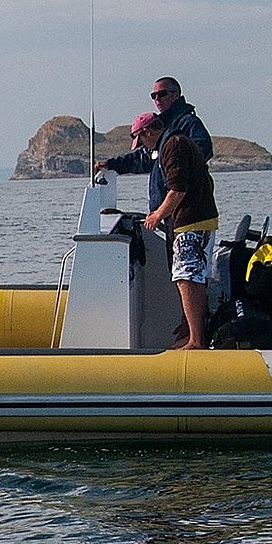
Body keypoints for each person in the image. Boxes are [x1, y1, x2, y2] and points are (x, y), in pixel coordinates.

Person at [136, 113, 220, 349]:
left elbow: (177, 190)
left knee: (186, 278)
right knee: (196, 278)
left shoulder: (172, 146)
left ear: (148, 132)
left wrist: (156, 216)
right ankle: (194, 335)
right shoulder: (178, 142)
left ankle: (195, 340)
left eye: (141, 140)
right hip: (202, 220)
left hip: (190, 222)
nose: (143, 145)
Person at [94, 77, 213, 213]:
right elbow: (144, 158)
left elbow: (204, 148)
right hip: (169, 210)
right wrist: (111, 164)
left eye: (162, 94)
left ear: (176, 95)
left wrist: (178, 166)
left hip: (187, 208)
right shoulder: (161, 128)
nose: (157, 99)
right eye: (153, 96)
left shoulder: (188, 122)